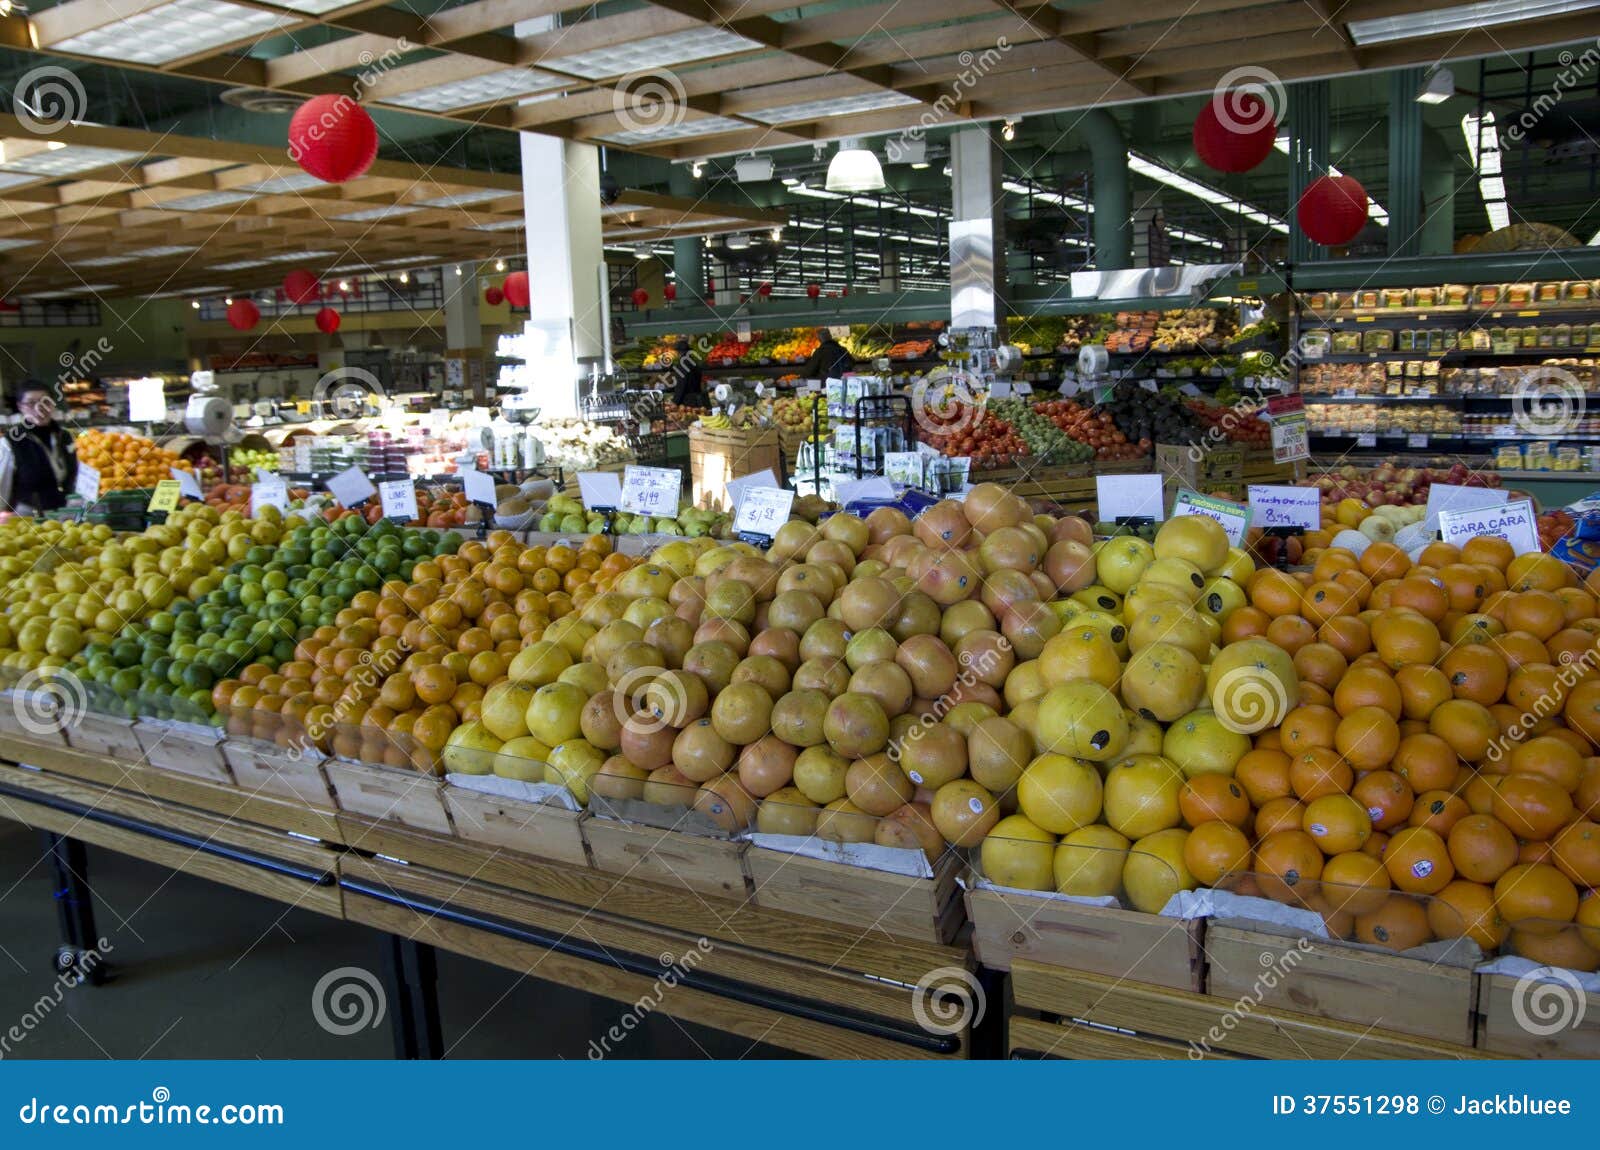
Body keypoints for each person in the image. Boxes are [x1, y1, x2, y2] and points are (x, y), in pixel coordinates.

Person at [0, 379, 77, 514]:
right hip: (28, 518)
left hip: (66, 515)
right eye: (31, 403)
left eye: (45, 401)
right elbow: (2, 486)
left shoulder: (65, 436)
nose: (39, 408)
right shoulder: (11, 442)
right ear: (20, 407)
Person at [669, 339, 705, 406]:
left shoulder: (683, 363)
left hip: (687, 400)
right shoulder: (693, 362)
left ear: (679, 352)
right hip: (696, 397)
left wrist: (675, 401)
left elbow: (681, 384)